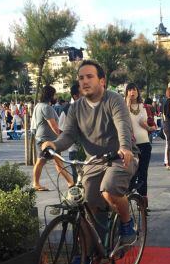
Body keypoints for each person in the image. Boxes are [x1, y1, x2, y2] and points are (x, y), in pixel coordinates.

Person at [42, 60, 139, 247]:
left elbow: (122, 125)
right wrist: (53, 145)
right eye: (81, 78)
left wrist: (125, 147)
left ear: (102, 81)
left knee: (109, 189)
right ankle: (92, 248)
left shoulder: (114, 99)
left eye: (89, 76)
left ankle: (127, 223)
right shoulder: (76, 107)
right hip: (94, 161)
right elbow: (68, 135)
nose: (84, 81)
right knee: (87, 203)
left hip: (120, 157)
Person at [32, 85, 73, 191]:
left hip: (45, 138)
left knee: (55, 162)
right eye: (54, 94)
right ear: (50, 95)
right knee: (42, 161)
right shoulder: (46, 107)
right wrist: (62, 138)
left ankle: (70, 182)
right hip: (47, 140)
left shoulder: (39, 105)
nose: (56, 97)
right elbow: (54, 126)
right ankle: (36, 184)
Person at [126, 83, 155, 205]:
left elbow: (154, 127)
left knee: (143, 173)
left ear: (138, 92)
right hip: (130, 146)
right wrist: (127, 104)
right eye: (130, 90)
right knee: (130, 174)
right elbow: (121, 123)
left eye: (135, 90)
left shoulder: (145, 107)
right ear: (127, 92)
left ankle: (143, 202)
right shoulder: (122, 107)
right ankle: (126, 201)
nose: (133, 92)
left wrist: (147, 127)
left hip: (144, 144)